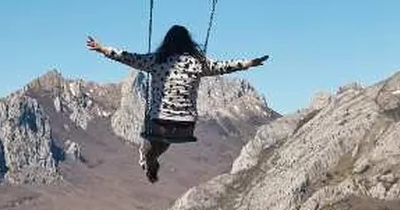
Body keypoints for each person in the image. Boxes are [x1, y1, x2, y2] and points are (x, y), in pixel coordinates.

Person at [85, 25, 269, 183]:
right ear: (188, 43)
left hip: (159, 122)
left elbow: (127, 57)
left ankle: (147, 157)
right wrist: (249, 63)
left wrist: (102, 48)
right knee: (169, 132)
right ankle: (152, 158)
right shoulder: (199, 63)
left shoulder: (156, 60)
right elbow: (225, 66)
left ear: (167, 42)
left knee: (154, 126)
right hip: (186, 125)